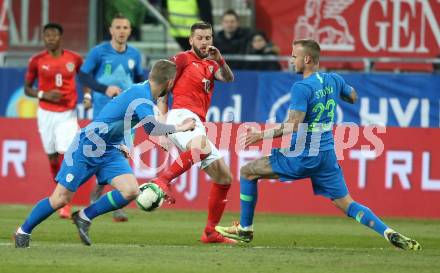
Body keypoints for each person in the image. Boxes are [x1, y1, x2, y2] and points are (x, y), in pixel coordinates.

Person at [215, 39, 422, 251]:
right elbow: (352, 96)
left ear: (307, 59)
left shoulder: (302, 87)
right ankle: (387, 232)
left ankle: (245, 228)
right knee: (346, 203)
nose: (291, 60)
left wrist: (261, 135)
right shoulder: (333, 79)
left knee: (248, 172)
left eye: (295, 56)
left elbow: (293, 125)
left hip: (304, 153)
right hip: (327, 155)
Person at [14, 60, 196, 248]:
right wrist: (181, 127)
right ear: (170, 82)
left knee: (130, 190)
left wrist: (124, 143)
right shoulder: (142, 96)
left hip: (110, 148)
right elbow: (151, 128)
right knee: (61, 199)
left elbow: (122, 118)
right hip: (87, 146)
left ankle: (84, 217)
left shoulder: (144, 93)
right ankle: (23, 231)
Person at [151, 21, 236, 244]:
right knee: (201, 147)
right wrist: (161, 125)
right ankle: (163, 179)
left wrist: (220, 59)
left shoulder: (211, 63)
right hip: (181, 115)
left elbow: (228, 78)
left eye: (208, 37)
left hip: (198, 120)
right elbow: (161, 88)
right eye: (199, 38)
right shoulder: (182, 59)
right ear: (191, 40)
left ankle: (210, 232)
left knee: (224, 177)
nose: (204, 42)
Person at [79, 13, 146, 222]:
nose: (122, 31)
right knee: (101, 158)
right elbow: (83, 75)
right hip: (103, 116)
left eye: (125, 28)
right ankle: (95, 195)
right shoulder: (99, 52)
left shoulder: (134, 55)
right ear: (111, 30)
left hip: (128, 118)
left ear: (129, 31)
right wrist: (101, 89)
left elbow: (140, 81)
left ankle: (117, 203)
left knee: (123, 157)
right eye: (118, 27)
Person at [24, 23, 83, 219]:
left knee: (65, 155)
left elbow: (86, 78)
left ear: (60, 37)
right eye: (46, 35)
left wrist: (89, 96)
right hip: (46, 114)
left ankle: (65, 201)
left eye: (53, 35)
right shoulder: (36, 61)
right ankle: (58, 193)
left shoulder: (74, 59)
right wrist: (44, 94)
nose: (50, 38)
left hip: (67, 113)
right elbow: (27, 88)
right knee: (52, 157)